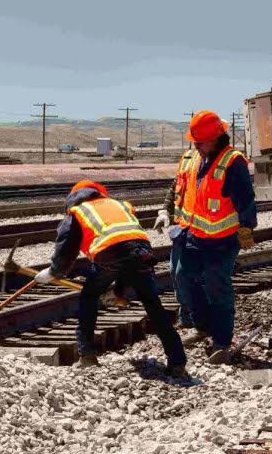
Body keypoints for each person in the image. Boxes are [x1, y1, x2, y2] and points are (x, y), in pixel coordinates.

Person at [34, 180, 187, 375]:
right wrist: (119, 291)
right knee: (152, 304)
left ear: (74, 197)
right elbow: (128, 248)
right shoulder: (120, 205)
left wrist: (53, 272)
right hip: (142, 252)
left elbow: (66, 248)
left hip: (110, 254)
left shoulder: (79, 211)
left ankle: (87, 356)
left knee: (89, 296)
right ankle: (177, 362)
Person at [164, 111, 257, 364]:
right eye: (194, 142)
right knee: (183, 277)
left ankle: (222, 341)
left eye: (200, 142)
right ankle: (201, 326)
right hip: (193, 233)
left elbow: (246, 199)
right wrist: (166, 210)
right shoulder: (193, 158)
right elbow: (179, 188)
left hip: (222, 239)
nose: (196, 146)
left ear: (216, 139)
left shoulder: (232, 162)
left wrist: (247, 228)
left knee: (217, 285)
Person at [154, 148, 200, 338]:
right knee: (176, 272)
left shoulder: (216, 160)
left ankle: (197, 320)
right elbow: (176, 186)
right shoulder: (189, 157)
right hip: (183, 228)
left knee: (189, 275)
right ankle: (187, 316)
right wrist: (164, 211)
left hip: (204, 231)